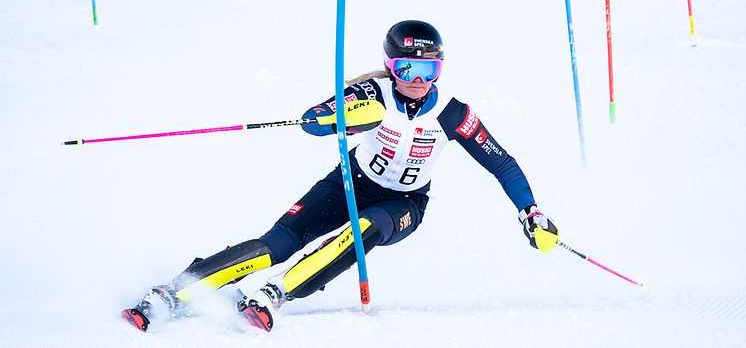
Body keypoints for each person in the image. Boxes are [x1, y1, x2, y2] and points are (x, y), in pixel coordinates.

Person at [121, 20, 560, 332]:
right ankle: (173, 292)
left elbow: (500, 162)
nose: (417, 80)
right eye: (407, 69)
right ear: (391, 66)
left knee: (364, 230)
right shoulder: (369, 92)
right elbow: (312, 121)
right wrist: (342, 119)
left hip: (402, 204)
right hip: (349, 180)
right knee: (275, 245)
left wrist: (531, 212)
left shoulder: (452, 114)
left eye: (429, 70)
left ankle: (276, 293)